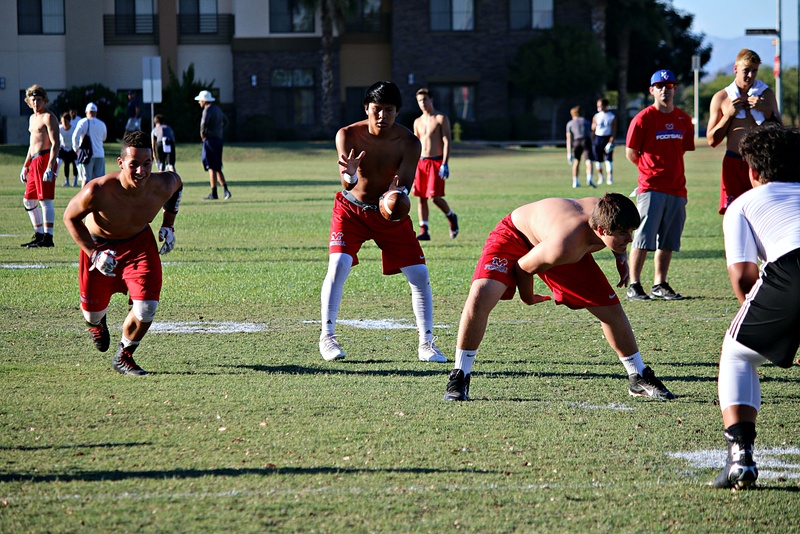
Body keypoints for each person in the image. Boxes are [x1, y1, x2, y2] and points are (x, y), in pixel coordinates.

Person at [443, 193, 675, 402]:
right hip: (515, 236)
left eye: (631, 232)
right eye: (624, 234)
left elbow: (612, 229)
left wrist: (620, 256)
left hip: (555, 243)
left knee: (611, 309)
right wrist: (528, 297)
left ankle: (638, 375)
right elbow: (524, 267)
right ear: (602, 231)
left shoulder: (606, 212)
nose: (630, 238)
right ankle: (460, 374)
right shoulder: (567, 245)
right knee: (480, 295)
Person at [319, 81, 446, 363]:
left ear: (397, 112)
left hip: (389, 215)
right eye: (377, 109)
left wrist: (396, 195)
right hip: (351, 210)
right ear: (366, 108)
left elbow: (405, 188)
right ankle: (327, 337)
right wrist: (351, 174)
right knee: (338, 264)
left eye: (389, 110)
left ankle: (426, 343)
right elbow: (346, 181)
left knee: (419, 275)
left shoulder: (410, 143)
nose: (382, 116)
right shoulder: (347, 135)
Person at [714, 125, 800, 490]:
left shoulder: (743, 204)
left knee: (738, 355)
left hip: (791, 271)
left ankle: (741, 459)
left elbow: (745, 277)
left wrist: (769, 327)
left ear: (752, 171)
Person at [63, 131, 183, 376]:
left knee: (147, 306)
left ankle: (124, 355)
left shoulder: (163, 183)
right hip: (99, 246)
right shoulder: (97, 190)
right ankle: (97, 324)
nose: (141, 171)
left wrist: (168, 224)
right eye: (134, 165)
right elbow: (70, 217)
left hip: (139, 244)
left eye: (147, 163)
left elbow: (177, 186)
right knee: (92, 314)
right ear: (120, 163)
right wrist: (94, 254)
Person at [625, 69, 695, 301]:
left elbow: (681, 149)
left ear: (675, 88)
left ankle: (660, 284)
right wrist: (649, 170)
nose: (665, 90)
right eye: (660, 86)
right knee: (643, 238)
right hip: (651, 187)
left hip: (677, 188)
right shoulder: (643, 119)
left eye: (670, 85)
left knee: (669, 240)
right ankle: (634, 285)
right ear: (652, 90)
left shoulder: (684, 119)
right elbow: (631, 153)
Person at [707, 49, 782, 215]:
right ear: (735, 69)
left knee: (762, 213)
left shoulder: (766, 94)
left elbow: (780, 133)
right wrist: (727, 116)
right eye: (746, 70)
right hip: (733, 162)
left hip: (760, 163)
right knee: (734, 214)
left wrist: (766, 112)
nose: (750, 75)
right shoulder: (722, 97)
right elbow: (712, 140)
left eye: (754, 71)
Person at [412, 88, 459, 240]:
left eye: (425, 99)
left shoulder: (440, 118)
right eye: (420, 100)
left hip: (436, 161)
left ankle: (451, 216)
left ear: (431, 100)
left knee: (434, 197)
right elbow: (415, 144)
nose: (422, 103)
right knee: (420, 197)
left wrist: (445, 163)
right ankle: (424, 230)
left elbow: (446, 141)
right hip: (421, 162)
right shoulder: (417, 122)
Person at [19, 84, 60, 248]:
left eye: (38, 99)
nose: (35, 103)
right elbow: (32, 144)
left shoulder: (49, 117)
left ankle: (48, 238)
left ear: (44, 100)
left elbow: (56, 144)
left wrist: (50, 166)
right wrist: (25, 165)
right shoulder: (32, 118)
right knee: (28, 200)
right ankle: (39, 234)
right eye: (33, 99)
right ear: (28, 101)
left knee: (45, 200)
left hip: (44, 159)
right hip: (34, 160)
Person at [195, 90, 231, 200]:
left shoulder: (207, 110)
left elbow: (203, 123)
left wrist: (202, 134)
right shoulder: (218, 109)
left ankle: (214, 192)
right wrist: (219, 131)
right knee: (217, 166)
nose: (199, 102)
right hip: (218, 140)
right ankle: (225, 190)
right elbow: (226, 121)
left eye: (200, 100)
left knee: (211, 166)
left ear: (204, 101)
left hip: (209, 141)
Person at [72, 102, 108, 185]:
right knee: (100, 180)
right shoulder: (102, 124)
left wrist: (76, 149)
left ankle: (84, 197)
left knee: (86, 179)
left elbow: (75, 136)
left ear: (87, 112)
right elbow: (104, 138)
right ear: (96, 112)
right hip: (100, 154)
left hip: (87, 155)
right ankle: (99, 197)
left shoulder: (83, 122)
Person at [565, 106, 596, 189]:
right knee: (589, 161)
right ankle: (589, 178)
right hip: (586, 140)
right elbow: (592, 133)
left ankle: (575, 181)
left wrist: (569, 152)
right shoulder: (586, 122)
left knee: (576, 161)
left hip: (576, 141)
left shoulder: (570, 123)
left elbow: (569, 139)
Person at [591, 98, 617, 185]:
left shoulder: (611, 116)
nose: (599, 107)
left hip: (607, 138)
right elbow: (593, 129)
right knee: (598, 160)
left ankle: (610, 178)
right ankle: (600, 177)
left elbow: (613, 130)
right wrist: (592, 140)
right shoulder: (596, 116)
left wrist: (610, 141)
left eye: (600, 105)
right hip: (598, 138)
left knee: (608, 159)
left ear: (605, 106)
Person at [58, 112, 79, 187]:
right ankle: (66, 181)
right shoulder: (59, 128)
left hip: (72, 149)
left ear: (69, 121)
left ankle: (75, 181)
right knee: (65, 164)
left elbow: (77, 138)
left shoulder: (74, 129)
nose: (64, 123)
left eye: (66, 121)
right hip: (64, 148)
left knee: (75, 164)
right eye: (63, 121)